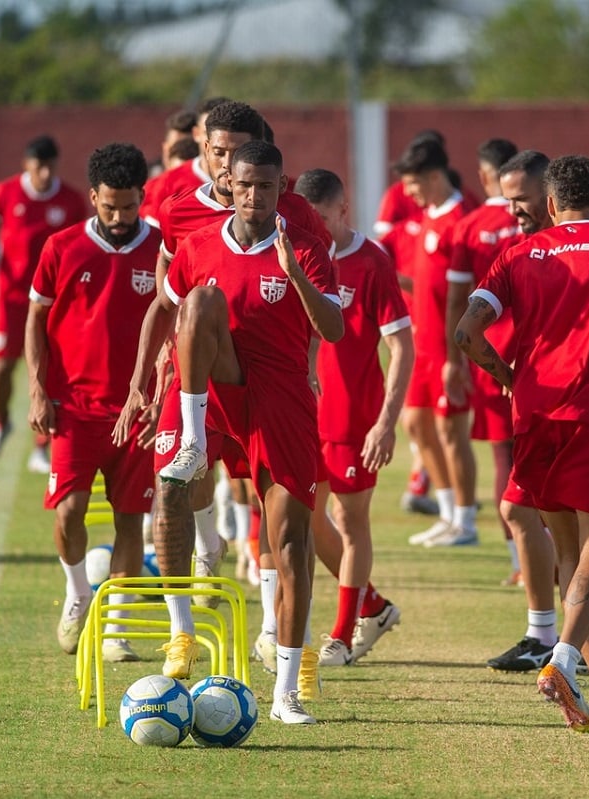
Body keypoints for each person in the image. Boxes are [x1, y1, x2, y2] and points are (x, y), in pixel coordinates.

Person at [455, 154, 589, 733]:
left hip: (532, 415)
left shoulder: (516, 254)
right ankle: (561, 661)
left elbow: (466, 332)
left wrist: (505, 376)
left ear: (550, 205)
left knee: (575, 559)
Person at [117, 101, 332, 691]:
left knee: (286, 520)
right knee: (170, 486)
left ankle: (287, 642)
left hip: (273, 377)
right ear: (205, 152)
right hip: (200, 376)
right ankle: (182, 631)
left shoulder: (300, 223)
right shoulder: (180, 213)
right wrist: (148, 371)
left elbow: (325, 312)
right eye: (216, 152)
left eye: (235, 153)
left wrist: (309, 360)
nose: (223, 165)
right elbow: (169, 300)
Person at [24, 142, 160, 664]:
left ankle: (117, 629)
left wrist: (156, 393)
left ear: (142, 196)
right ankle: (79, 593)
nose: (121, 217)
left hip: (137, 413)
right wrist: (38, 388)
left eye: (129, 207)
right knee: (70, 513)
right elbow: (36, 318)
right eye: (110, 207)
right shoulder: (62, 248)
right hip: (74, 409)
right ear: (94, 198)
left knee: (130, 521)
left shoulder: (162, 249)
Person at [294, 168, 413, 667]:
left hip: (354, 420)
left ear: (343, 211)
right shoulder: (293, 254)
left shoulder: (371, 262)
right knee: (302, 519)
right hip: (301, 414)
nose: (313, 228)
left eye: (321, 218)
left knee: (349, 518)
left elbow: (401, 345)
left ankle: (342, 633)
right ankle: (373, 605)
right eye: (306, 219)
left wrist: (386, 421)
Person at [0, 134, 88, 473]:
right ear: (27, 165)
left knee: (52, 372)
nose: (45, 174)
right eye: (39, 167)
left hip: (54, 299)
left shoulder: (71, 200)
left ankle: (42, 445)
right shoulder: (6, 193)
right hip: (12, 298)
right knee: (2, 368)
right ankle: (0, 424)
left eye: (50, 167)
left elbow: (82, 245)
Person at [393, 138, 480, 548]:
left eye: (412, 184)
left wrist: (456, 357)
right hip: (420, 345)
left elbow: (465, 296)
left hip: (449, 351)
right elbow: (427, 284)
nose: (408, 193)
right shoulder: (429, 216)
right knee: (415, 425)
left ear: (432, 177)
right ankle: (447, 515)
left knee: (451, 431)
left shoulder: (463, 219)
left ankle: (466, 520)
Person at [443, 137, 520, 567]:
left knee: (503, 457)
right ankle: (550, 551)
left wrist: (454, 361)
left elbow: (458, 300)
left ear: (484, 175)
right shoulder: (539, 219)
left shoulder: (468, 227)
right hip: (538, 353)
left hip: (489, 355)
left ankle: (518, 560)